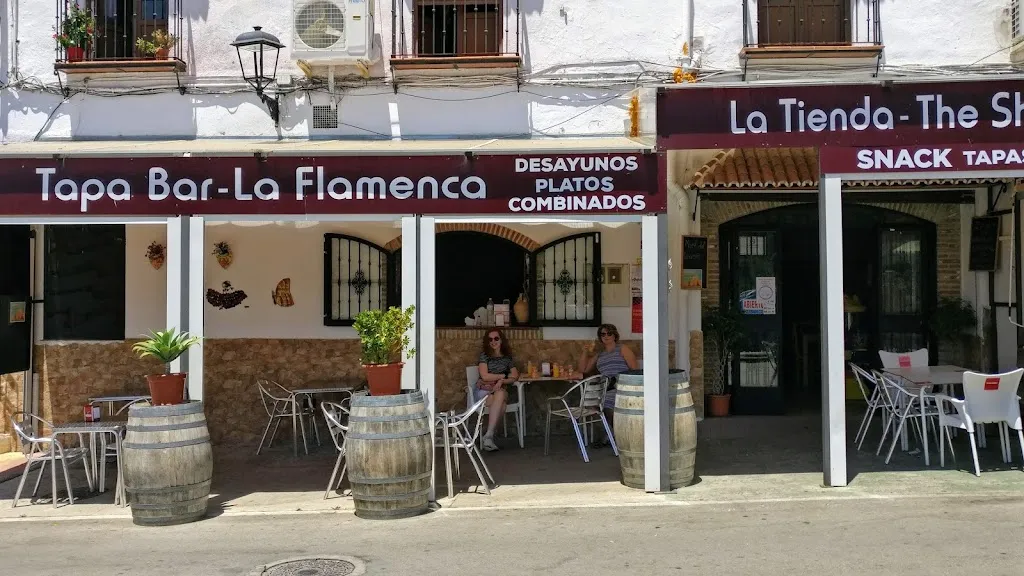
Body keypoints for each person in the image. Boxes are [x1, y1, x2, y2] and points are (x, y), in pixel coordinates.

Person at [575, 323, 638, 446]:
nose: (606, 336)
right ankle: (612, 435)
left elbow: (634, 369)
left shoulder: (622, 349)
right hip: (605, 387)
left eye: (609, 333)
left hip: (620, 386)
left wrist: (623, 383)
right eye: (603, 334)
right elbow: (583, 370)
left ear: (615, 335)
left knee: (605, 404)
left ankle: (616, 435)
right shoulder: (600, 354)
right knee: (593, 406)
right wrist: (585, 352)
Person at [475, 328, 519, 452]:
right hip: (485, 391)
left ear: (501, 340)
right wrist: (502, 376)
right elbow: (484, 376)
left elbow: (515, 376)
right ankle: (489, 436)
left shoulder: (507, 358)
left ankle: (488, 436)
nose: (493, 341)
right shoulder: (484, 356)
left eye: (496, 338)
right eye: (490, 339)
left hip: (499, 390)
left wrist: (501, 382)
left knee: (499, 393)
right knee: (502, 405)